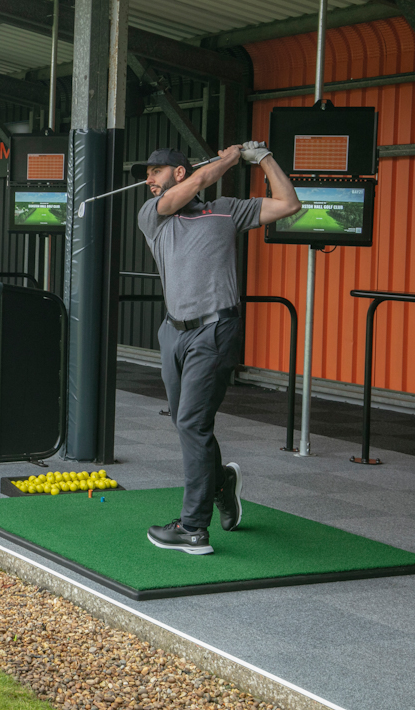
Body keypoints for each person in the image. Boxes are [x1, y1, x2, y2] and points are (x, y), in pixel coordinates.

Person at [133, 143, 300, 555]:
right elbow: (201, 180)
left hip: (215, 331)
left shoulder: (226, 209)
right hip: (172, 332)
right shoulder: (153, 216)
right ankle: (221, 483)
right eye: (147, 173)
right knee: (183, 420)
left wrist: (262, 157)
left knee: (191, 423)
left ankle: (193, 528)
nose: (148, 179)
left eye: (156, 171)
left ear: (179, 171)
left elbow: (288, 203)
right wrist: (228, 159)